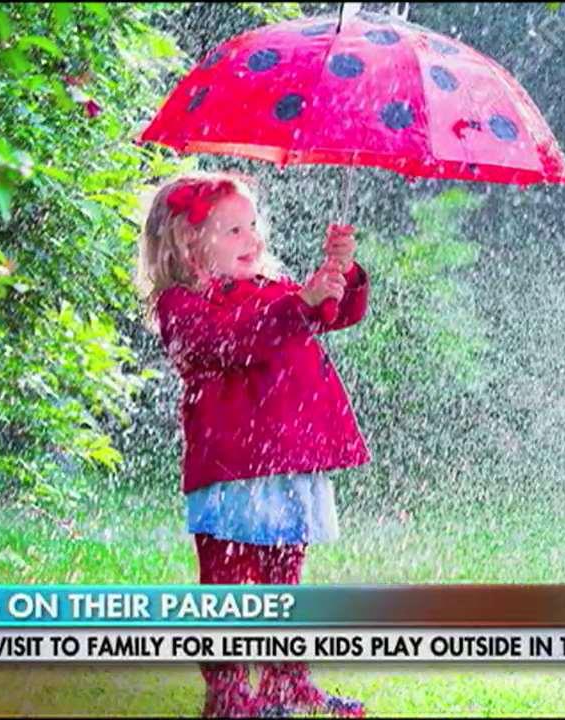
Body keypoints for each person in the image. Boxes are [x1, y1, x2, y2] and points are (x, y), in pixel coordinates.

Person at [135, 171, 371, 718]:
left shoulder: (271, 289)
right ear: (188, 247)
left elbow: (332, 313)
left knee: (284, 576)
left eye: (253, 225)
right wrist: (301, 302)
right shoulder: (183, 305)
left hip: (289, 463)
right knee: (229, 583)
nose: (253, 238)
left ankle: (288, 682)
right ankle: (230, 694)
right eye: (234, 230)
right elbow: (234, 339)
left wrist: (341, 273)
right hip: (234, 469)